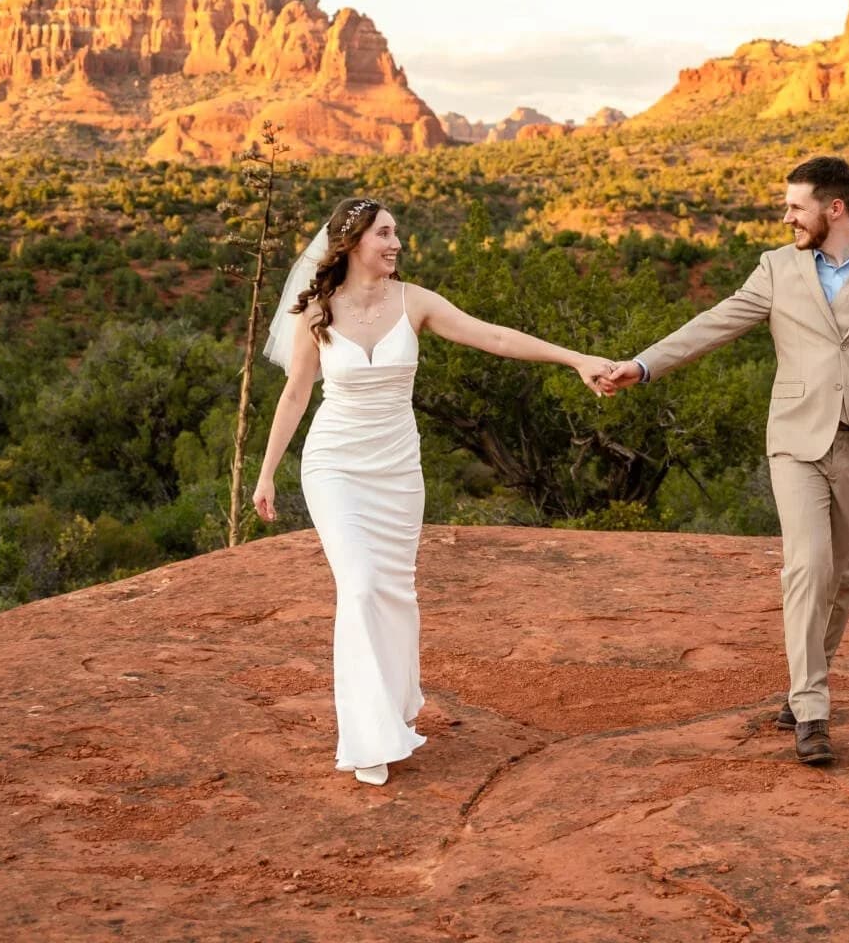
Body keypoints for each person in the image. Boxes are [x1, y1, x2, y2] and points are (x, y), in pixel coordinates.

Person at [252, 197, 614, 786]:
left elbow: (493, 337)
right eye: (385, 233)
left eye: (397, 234)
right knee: (362, 587)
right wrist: (268, 472)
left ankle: (391, 711)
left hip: (397, 469)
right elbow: (296, 392)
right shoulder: (317, 310)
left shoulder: (414, 302)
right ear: (351, 243)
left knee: (394, 591)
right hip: (335, 465)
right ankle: (366, 736)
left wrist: (575, 359)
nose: (396, 244)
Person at [601, 156, 849, 766]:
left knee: (844, 575)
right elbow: (715, 322)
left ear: (834, 209)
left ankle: (806, 680)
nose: (786, 217)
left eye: (796, 207)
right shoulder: (776, 268)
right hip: (795, 440)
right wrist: (643, 365)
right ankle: (811, 708)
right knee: (806, 566)